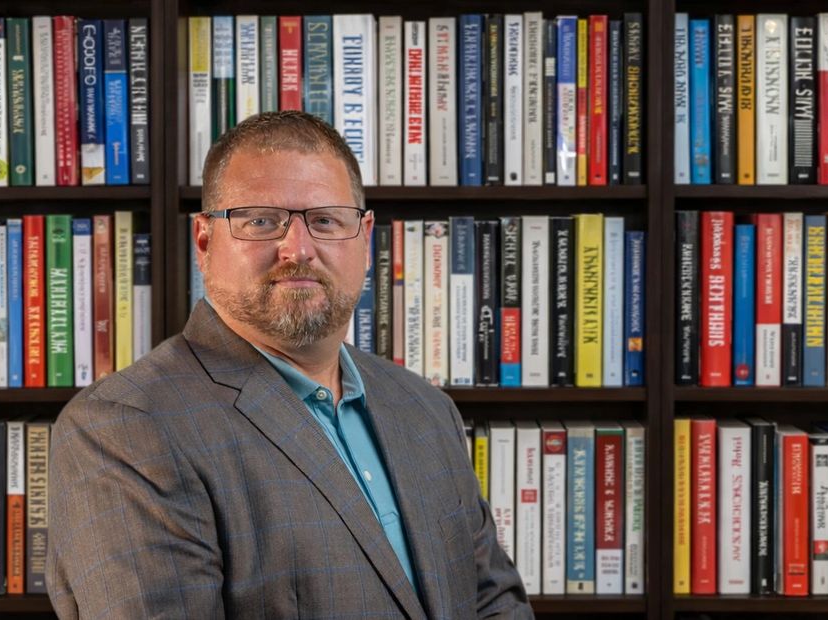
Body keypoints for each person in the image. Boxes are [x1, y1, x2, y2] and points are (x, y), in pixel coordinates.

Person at [46, 110, 531, 619]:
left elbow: (494, 602)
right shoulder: (123, 428)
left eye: (324, 220)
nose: (298, 249)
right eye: (260, 221)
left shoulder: (425, 407)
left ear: (364, 238)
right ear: (205, 242)